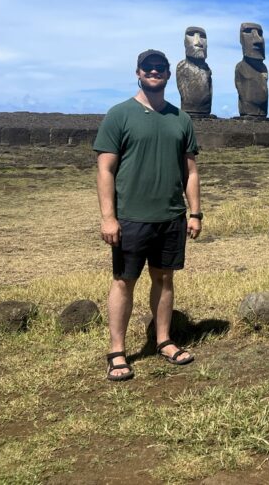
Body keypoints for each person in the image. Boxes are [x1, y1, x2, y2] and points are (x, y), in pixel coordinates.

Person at [93, 49, 202, 381]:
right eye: (148, 68)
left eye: (160, 68)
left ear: (169, 75)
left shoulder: (180, 119)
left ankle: (164, 340)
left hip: (170, 215)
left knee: (165, 279)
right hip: (131, 216)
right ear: (138, 73)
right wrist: (108, 217)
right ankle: (117, 351)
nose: (154, 72)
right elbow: (104, 169)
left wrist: (195, 212)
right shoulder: (120, 114)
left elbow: (191, 171)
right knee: (124, 281)